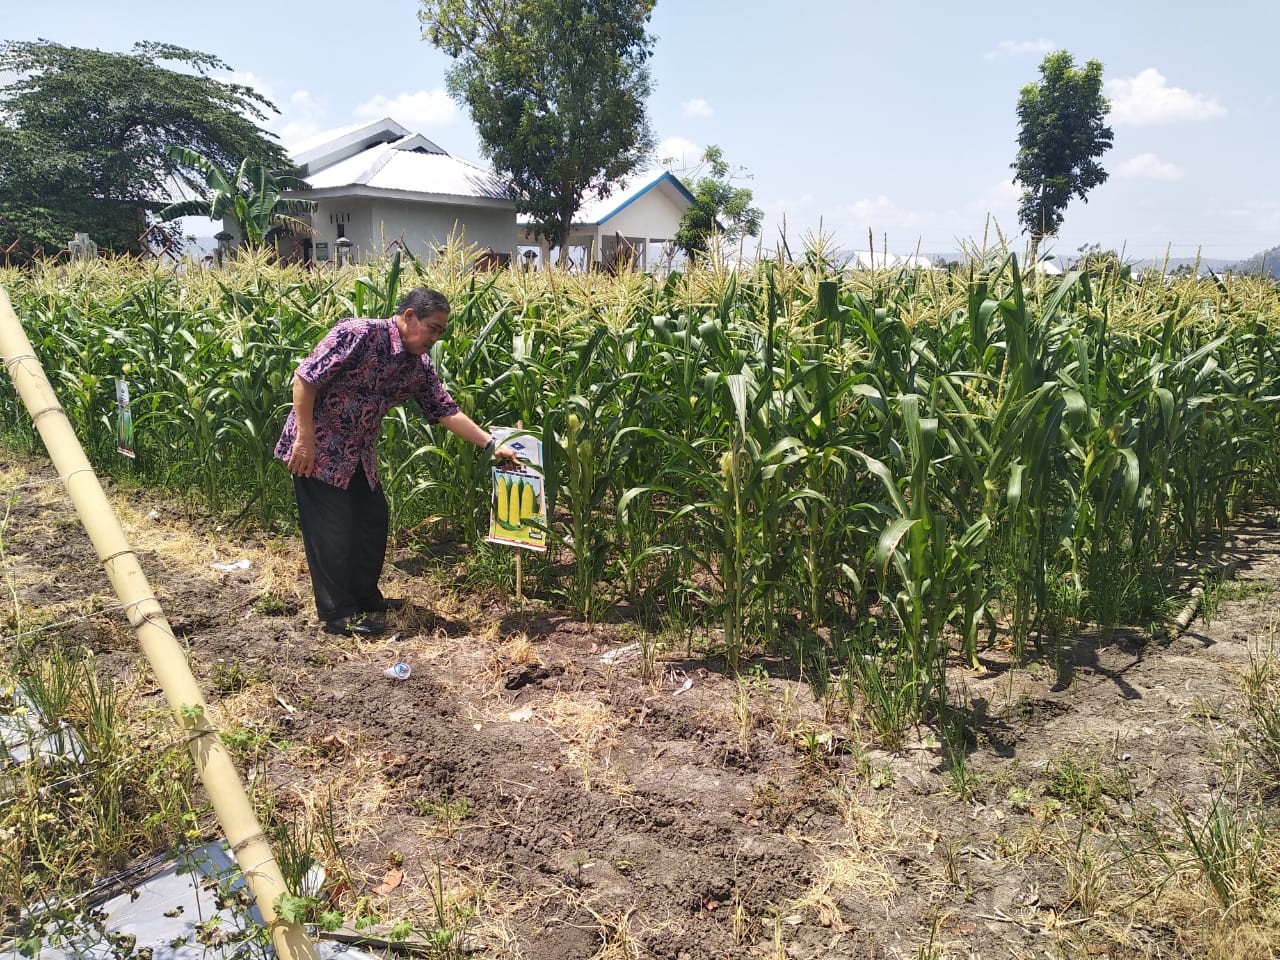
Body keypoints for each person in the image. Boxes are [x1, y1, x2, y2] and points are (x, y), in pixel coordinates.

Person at [275, 287, 516, 636]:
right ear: (408, 317)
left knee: (372, 521)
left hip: (358, 454)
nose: (436, 337)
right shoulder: (357, 333)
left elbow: (444, 409)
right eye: (433, 327)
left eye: (441, 331)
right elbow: (305, 379)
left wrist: (491, 443)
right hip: (319, 449)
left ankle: (365, 597)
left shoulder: (416, 365)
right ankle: (337, 614)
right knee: (332, 530)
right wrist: (304, 438)